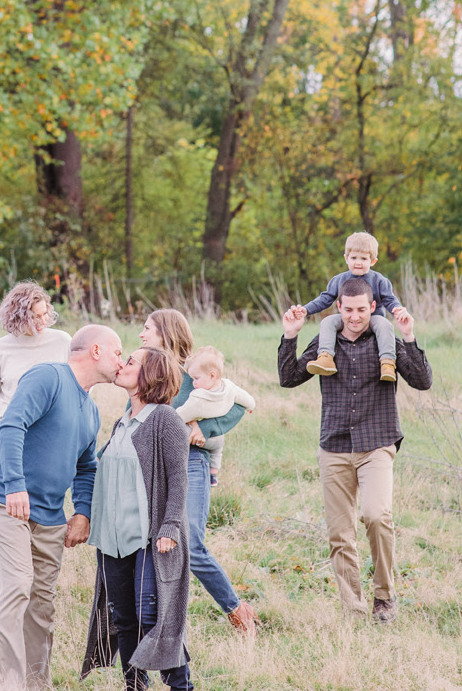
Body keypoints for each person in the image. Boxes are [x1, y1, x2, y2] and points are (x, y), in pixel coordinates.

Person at [0, 323, 122, 691]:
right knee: (19, 583)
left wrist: (83, 513)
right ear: (94, 351)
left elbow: (87, 467)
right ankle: (4, 689)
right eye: (117, 352)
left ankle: (36, 686)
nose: (121, 361)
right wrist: (14, 485)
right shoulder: (48, 377)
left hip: (50, 514)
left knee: (41, 600)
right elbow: (11, 425)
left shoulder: (90, 411)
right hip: (6, 500)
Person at [278, 274, 432, 622]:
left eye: (361, 309)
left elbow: (422, 382)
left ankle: (385, 597)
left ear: (373, 307)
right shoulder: (324, 342)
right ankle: (353, 608)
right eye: (348, 310)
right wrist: (290, 333)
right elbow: (288, 378)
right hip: (333, 445)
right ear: (338, 307)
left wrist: (409, 336)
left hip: (377, 442)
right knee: (339, 532)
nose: (354, 316)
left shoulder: (385, 339)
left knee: (377, 516)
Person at [81, 347, 198, 691]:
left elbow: (179, 478)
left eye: (131, 361)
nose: (122, 365)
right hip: (113, 539)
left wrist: (170, 527)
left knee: (155, 616)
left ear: (150, 374)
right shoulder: (122, 423)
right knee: (123, 618)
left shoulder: (164, 419)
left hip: (149, 539)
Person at [138, 309, 256, 635]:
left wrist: (202, 425)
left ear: (165, 333)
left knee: (189, 540)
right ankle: (159, 622)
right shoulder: (145, 371)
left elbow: (234, 407)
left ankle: (236, 609)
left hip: (191, 461)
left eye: (147, 328)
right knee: (157, 542)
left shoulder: (193, 371)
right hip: (155, 465)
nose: (141, 334)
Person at [0, 280, 72, 475]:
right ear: (18, 317)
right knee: (8, 495)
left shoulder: (62, 341)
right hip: (9, 428)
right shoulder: (0, 348)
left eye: (45, 314)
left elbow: (79, 388)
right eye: (35, 317)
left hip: (50, 429)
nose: (42, 321)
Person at [283, 231, 413, 383]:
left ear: (373, 261)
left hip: (373, 318)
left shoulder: (379, 280)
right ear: (346, 258)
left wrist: (397, 309)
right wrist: (306, 310)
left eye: (363, 258)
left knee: (385, 325)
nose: (358, 262)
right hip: (347, 320)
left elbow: (389, 299)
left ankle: (387, 363)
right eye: (354, 258)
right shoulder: (339, 280)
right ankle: (325, 357)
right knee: (327, 321)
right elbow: (325, 299)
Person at [176, 345, 256, 486]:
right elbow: (244, 397)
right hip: (218, 437)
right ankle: (213, 474)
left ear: (212, 375)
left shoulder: (198, 397)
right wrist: (251, 406)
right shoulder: (229, 387)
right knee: (217, 451)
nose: (193, 383)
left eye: (196, 378)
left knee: (180, 433)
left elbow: (180, 415)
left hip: (200, 438)